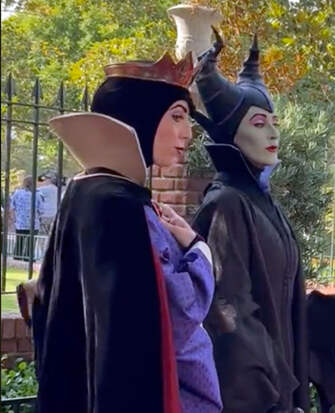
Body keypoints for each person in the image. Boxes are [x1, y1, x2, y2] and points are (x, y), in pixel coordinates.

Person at [191, 30, 335, 413]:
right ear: (231, 133)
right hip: (256, 399)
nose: (273, 133)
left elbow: (281, 301)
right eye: (260, 123)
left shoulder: (263, 202)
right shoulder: (226, 204)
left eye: (274, 123)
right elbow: (229, 314)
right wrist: (272, 394)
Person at [31, 53, 222, 413]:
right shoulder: (123, 207)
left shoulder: (84, 192)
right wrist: (199, 249)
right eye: (177, 116)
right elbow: (181, 311)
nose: (188, 132)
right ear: (140, 117)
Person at [10, 175, 44, 261]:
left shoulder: (17, 193)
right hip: (33, 224)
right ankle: (28, 260)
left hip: (20, 223)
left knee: (19, 242)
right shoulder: (38, 195)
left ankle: (17, 260)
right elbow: (41, 210)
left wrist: (14, 218)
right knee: (30, 244)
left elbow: (12, 207)